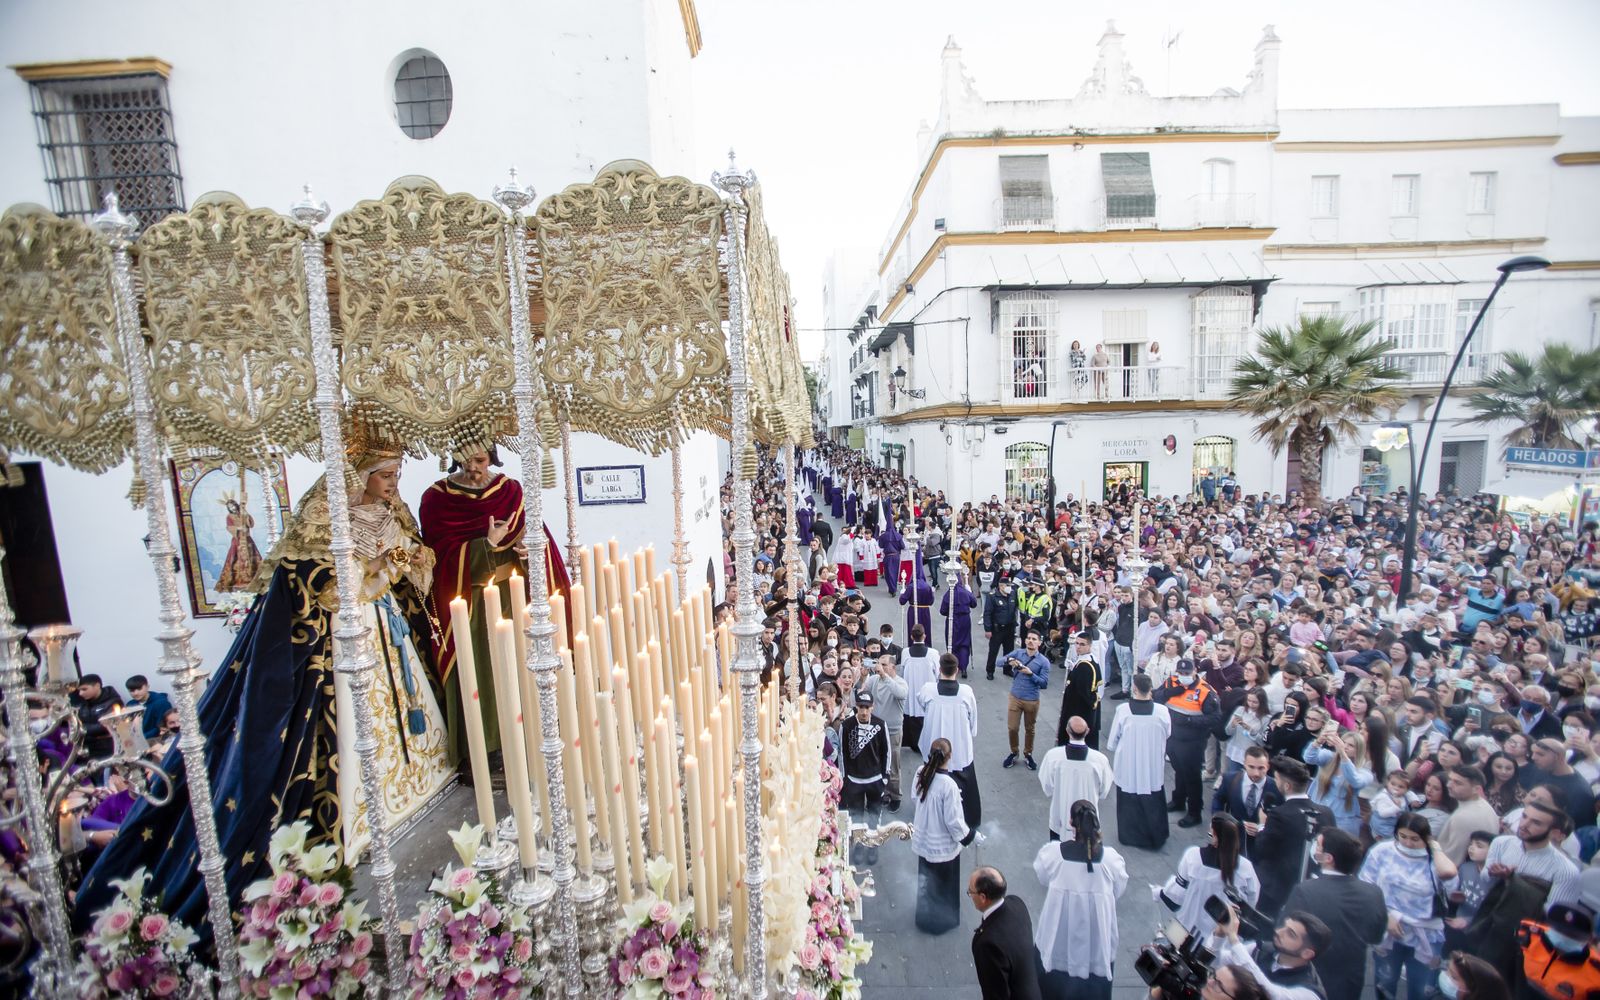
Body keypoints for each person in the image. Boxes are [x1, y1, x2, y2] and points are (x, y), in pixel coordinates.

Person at [77, 434, 454, 934]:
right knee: (352, 735)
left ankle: (419, 783)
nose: (392, 485)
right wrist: (369, 571)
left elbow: (417, 563)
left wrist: (404, 559)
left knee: (411, 719)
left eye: (396, 476)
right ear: (358, 475)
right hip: (348, 645)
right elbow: (312, 587)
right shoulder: (322, 527)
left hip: (389, 635)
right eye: (385, 475)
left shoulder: (394, 516)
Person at [419, 447, 568, 769]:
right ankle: (486, 748)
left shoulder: (511, 491)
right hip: (467, 605)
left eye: (479, 461)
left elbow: (536, 536)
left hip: (512, 598)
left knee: (517, 668)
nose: (472, 469)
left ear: (492, 456)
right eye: (465, 461)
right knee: (480, 676)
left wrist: (530, 554)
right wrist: (484, 546)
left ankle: (532, 735)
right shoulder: (437, 499)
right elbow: (438, 556)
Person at [1359, 812, 1459, 1000]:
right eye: (1403, 836)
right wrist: (1385, 916)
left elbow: (1451, 882)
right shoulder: (1382, 851)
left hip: (1425, 933)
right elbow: (1366, 885)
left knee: (1421, 988)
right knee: (1384, 982)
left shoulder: (1434, 859)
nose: (1407, 843)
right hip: (1389, 928)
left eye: (1414, 839)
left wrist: (1435, 849)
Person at [1032, 800, 1126, 1000]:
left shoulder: (1054, 855)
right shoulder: (1110, 860)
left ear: (1070, 823)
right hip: (1096, 944)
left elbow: (1042, 876)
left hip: (1060, 939)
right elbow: (1118, 889)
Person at [1283, 828, 1387, 1000]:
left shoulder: (1306, 891)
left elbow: (1286, 932)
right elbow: (1376, 935)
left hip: (1312, 975)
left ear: (1328, 858)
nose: (1315, 848)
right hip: (1351, 976)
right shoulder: (1373, 892)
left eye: (1318, 846)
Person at [1253, 757, 1335, 920]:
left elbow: (1262, 850)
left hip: (1279, 889)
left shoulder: (1279, 814)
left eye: (1276, 779)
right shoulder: (1326, 813)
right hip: (1312, 888)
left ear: (1287, 786)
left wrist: (1262, 825)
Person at [1159, 813, 1261, 939]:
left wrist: (1160, 891)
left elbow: (1177, 896)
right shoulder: (1246, 868)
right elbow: (1251, 901)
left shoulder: (1193, 856)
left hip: (1184, 930)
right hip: (1222, 938)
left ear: (1214, 835)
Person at [1104, 673, 1171, 848]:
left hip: (1129, 764)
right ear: (1151, 689)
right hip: (1152, 764)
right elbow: (1168, 733)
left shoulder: (1124, 711)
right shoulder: (1162, 711)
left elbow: (1112, 741)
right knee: (1152, 797)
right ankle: (1155, 834)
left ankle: (1130, 835)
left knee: (1129, 798)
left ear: (1134, 688)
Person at [918, 653, 981, 838]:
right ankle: (969, 821)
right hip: (959, 748)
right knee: (964, 789)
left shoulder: (928, 689)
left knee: (931, 782)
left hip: (934, 744)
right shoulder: (966, 692)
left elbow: (922, 706)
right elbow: (973, 719)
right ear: (957, 670)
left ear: (939, 669)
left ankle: (931, 820)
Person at [1206, 907, 1333, 1000]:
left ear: (1307, 953)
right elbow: (1216, 964)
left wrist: (1233, 938)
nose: (1279, 931)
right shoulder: (1260, 950)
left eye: (1290, 934)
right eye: (1284, 926)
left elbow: (1271, 994)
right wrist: (1220, 935)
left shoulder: (1310, 993)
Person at [1153, 658, 1220, 828]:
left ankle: (1194, 811)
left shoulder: (1205, 691)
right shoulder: (1171, 683)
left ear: (1195, 671)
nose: (1183, 676)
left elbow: (1214, 718)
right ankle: (1178, 800)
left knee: (1191, 775)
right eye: (1181, 673)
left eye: (1187, 673)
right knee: (1179, 770)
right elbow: (1155, 696)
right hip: (1172, 737)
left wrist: (1189, 720)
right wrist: (1170, 692)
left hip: (1192, 741)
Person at [912, 737, 969, 934]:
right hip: (943, 844)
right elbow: (953, 821)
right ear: (950, 756)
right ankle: (942, 921)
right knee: (943, 884)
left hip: (925, 839)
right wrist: (969, 836)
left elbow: (915, 798)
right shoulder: (948, 785)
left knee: (927, 881)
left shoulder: (921, 772)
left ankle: (924, 918)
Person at [969, 866, 1043, 1000]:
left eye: (970, 892)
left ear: (983, 897)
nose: (970, 895)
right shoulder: (1016, 903)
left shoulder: (987, 944)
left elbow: (995, 994)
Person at [1038, 716, 1113, 842]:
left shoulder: (1053, 756)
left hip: (1060, 815)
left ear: (1067, 731)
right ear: (1088, 731)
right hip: (1088, 819)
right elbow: (1104, 790)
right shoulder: (1100, 760)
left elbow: (1047, 786)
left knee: (1058, 854)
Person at [840, 690, 891, 864]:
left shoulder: (880, 725)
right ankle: (860, 845)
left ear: (872, 708)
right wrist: (844, 778)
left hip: (875, 779)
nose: (864, 711)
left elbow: (886, 752)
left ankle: (873, 845)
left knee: (874, 816)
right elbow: (842, 754)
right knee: (856, 816)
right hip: (854, 780)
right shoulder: (846, 726)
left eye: (867, 708)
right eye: (861, 707)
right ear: (856, 707)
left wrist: (884, 777)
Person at [1214, 746, 1283, 859]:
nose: (1256, 773)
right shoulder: (1230, 779)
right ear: (1244, 764)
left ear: (1268, 767)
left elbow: (1280, 818)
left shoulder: (1277, 788)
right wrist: (1218, 822)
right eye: (1251, 767)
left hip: (1261, 847)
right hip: (1233, 840)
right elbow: (1218, 799)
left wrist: (1262, 828)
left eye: (1261, 768)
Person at [863, 652, 909, 812]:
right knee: (876, 763)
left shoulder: (900, 682)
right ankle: (882, 792)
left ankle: (895, 795)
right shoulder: (874, 680)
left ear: (892, 667)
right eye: (879, 664)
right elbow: (862, 694)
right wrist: (862, 678)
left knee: (893, 766)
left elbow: (900, 693)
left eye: (884, 665)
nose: (880, 668)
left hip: (893, 731)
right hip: (875, 730)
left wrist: (884, 676)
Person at [1002, 630, 1051, 771]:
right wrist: (1009, 660)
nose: (1030, 641)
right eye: (1028, 638)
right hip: (1015, 697)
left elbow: (1044, 683)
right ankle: (1014, 751)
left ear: (1039, 643)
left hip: (1031, 700)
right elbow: (1000, 662)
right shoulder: (1018, 653)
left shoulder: (1044, 661)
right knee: (1012, 728)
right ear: (1025, 641)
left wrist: (1030, 674)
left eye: (1034, 639)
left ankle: (1028, 753)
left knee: (1030, 729)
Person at [1439, 764, 1501, 864]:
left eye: (1457, 783)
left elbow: (1452, 859)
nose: (1448, 785)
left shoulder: (1463, 817)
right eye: (1450, 780)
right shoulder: (1482, 803)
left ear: (1476, 789)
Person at [1055, 634, 1103, 749]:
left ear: (1090, 645)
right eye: (1077, 643)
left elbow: (1084, 692)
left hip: (1078, 710)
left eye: (1082, 644)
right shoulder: (1088, 660)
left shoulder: (1085, 667)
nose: (1078, 647)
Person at [899, 624, 939, 758]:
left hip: (911, 689)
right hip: (928, 690)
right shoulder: (933, 653)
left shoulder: (905, 652)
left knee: (913, 715)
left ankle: (914, 743)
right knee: (926, 716)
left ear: (911, 637)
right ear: (924, 636)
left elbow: (902, 672)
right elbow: (938, 673)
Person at [213, 493, 263, 592]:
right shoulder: (229, 516)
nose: (232, 508)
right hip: (238, 541)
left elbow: (250, 523)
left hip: (247, 539)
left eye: (233, 505)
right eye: (229, 507)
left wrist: (244, 510)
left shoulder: (242, 513)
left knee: (253, 557)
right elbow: (229, 527)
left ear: (236, 505)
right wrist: (238, 528)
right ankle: (237, 580)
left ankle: (254, 578)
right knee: (236, 559)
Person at [69, 673, 123, 760]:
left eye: (84, 689)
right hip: (87, 748)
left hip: (108, 748)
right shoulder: (82, 703)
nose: (81, 693)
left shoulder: (113, 702)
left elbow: (107, 726)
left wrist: (81, 728)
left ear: (97, 686)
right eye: (79, 690)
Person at [940, 569, 978, 678]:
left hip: (953, 619)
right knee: (964, 643)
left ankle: (954, 666)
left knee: (952, 643)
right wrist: (969, 591)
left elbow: (942, 611)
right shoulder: (965, 592)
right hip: (965, 620)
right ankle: (964, 667)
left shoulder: (948, 594)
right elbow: (974, 604)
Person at [982, 577, 1019, 680]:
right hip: (997, 629)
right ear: (1001, 586)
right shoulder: (993, 597)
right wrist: (988, 629)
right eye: (1007, 586)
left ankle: (1007, 669)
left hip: (1009, 628)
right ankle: (990, 671)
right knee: (993, 651)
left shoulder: (1012, 595)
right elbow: (987, 613)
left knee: (1009, 651)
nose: (1009, 588)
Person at [123, 674, 172, 743]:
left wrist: (141, 738)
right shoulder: (130, 705)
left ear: (147, 687)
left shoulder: (161, 703)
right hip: (137, 741)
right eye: (132, 691)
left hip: (157, 739)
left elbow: (162, 727)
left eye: (139, 689)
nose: (136, 693)